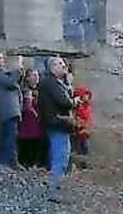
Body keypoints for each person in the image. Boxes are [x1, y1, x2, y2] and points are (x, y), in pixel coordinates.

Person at [38, 57, 80, 203]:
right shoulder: (51, 83)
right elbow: (65, 101)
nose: (64, 66)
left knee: (59, 155)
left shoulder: (53, 82)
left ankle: (55, 188)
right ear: (52, 67)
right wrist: (74, 101)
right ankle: (54, 191)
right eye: (60, 64)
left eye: (64, 64)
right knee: (60, 158)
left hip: (56, 123)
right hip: (57, 123)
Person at [17, 69, 45, 168]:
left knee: (36, 146)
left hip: (37, 125)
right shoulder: (26, 91)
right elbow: (27, 108)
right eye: (33, 75)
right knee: (27, 146)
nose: (36, 77)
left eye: (37, 75)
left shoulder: (38, 90)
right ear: (28, 78)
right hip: (28, 123)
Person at [72, 85, 92, 168]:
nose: (87, 97)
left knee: (85, 150)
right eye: (85, 95)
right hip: (77, 132)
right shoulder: (77, 106)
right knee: (78, 150)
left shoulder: (88, 106)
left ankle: (84, 166)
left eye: (88, 95)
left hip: (85, 132)